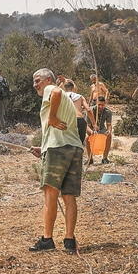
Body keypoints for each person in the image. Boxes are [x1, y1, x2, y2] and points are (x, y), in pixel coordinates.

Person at [28, 68, 83, 253]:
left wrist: (50, 118)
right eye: (34, 81)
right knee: (69, 196)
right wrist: (43, 149)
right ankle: (69, 241)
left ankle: (47, 240)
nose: (35, 84)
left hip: (58, 149)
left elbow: (57, 91)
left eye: (38, 80)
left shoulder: (52, 90)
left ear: (48, 79)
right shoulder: (67, 98)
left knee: (50, 194)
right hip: (74, 148)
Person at [85, 96, 113, 164]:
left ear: (105, 104)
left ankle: (105, 158)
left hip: (102, 128)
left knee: (109, 135)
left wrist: (109, 130)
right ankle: (90, 158)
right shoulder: (90, 111)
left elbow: (109, 125)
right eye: (99, 104)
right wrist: (92, 132)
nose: (100, 106)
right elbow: (87, 126)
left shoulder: (108, 112)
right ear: (96, 104)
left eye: (102, 105)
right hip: (91, 129)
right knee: (87, 138)